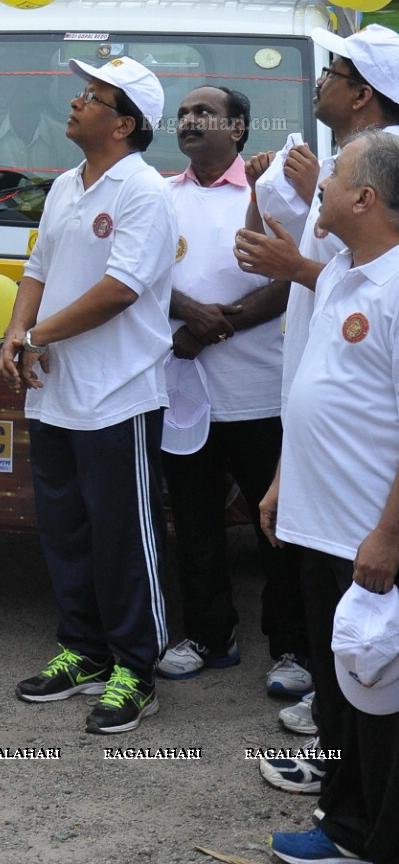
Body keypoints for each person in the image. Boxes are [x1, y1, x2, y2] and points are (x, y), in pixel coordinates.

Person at [235, 23, 399, 789]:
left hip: (364, 479)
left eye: (331, 69)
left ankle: (359, 807)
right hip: (319, 458)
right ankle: (342, 786)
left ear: (360, 90)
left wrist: (294, 253)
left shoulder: (372, 174)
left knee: (367, 641)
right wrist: (281, 472)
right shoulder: (342, 174)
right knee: (337, 630)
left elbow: (366, 282)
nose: (319, 81)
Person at [0, 55, 175, 734]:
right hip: (56, 391)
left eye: (93, 95)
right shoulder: (67, 184)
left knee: (122, 538)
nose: (75, 100)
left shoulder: (143, 191)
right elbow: (36, 268)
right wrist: (17, 328)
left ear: (124, 123)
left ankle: (137, 667)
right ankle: (83, 650)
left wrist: (35, 334)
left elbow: (119, 289)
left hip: (118, 394)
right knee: (65, 530)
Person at [264, 129, 399, 864]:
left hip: (366, 539)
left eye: (336, 170)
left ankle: (372, 838)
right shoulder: (344, 272)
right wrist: (284, 480)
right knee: (339, 690)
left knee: (378, 700)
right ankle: (343, 823)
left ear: (364, 196)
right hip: (318, 526)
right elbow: (313, 391)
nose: (322, 177)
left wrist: (387, 535)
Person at [157, 86, 307, 691]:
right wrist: (189, 313)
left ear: (239, 129)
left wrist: (218, 326)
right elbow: (138, 276)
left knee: (277, 527)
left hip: (257, 392)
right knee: (194, 524)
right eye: (185, 114)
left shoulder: (267, 194)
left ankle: (291, 649)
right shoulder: (161, 196)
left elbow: (289, 279)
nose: (190, 121)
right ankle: (208, 635)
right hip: (185, 393)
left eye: (205, 114)